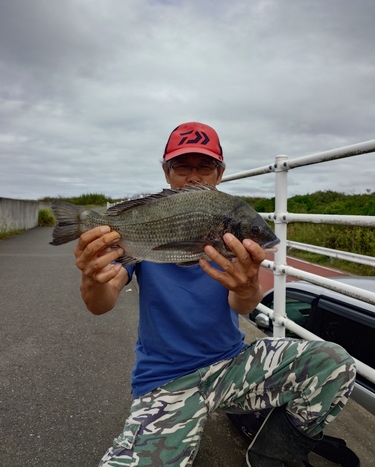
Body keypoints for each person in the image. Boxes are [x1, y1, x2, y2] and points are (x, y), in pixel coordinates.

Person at [74, 122, 356, 467]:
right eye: (182, 166)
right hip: (167, 379)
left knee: (334, 363)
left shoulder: (230, 226)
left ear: (219, 174)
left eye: (204, 166)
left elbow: (243, 303)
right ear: (167, 173)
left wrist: (247, 285)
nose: (194, 176)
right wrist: (92, 279)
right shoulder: (144, 228)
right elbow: (102, 300)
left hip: (232, 365)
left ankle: (272, 452)